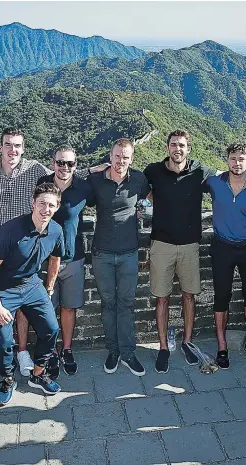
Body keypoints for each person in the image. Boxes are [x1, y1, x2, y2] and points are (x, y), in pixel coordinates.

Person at [0, 183, 64, 406]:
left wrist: (48, 287)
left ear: (57, 207)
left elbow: (55, 259)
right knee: (3, 339)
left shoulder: (56, 230)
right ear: (33, 203)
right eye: (42, 203)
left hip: (32, 285)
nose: (45, 209)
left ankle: (38, 373)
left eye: (51, 205)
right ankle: (8, 378)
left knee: (51, 328)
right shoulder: (10, 231)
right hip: (3, 287)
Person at [143, 130, 217, 373]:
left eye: (182, 145)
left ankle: (187, 341)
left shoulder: (199, 171)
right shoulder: (153, 171)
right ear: (167, 148)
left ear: (188, 148)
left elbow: (227, 178)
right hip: (161, 243)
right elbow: (140, 187)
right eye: (174, 145)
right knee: (162, 297)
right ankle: (163, 347)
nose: (178, 149)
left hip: (189, 244)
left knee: (189, 295)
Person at [88, 138, 151, 376]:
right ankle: (112, 352)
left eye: (125, 157)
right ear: (110, 156)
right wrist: (89, 169)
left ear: (131, 158)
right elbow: (72, 183)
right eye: (117, 156)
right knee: (108, 305)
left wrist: (144, 212)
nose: (121, 161)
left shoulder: (138, 179)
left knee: (126, 305)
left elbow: (150, 195)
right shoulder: (97, 180)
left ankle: (128, 353)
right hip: (102, 253)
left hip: (129, 253)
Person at [204, 140, 246, 368]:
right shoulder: (214, 182)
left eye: (241, 159)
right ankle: (222, 346)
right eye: (233, 158)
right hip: (222, 247)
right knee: (222, 295)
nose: (237, 163)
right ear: (227, 160)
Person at [36, 145, 95, 376]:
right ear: (53, 164)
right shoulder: (43, 185)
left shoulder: (83, 188)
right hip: (44, 260)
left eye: (70, 163)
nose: (65, 167)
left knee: (69, 307)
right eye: (60, 162)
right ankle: (49, 351)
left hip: (73, 258)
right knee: (47, 310)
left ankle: (66, 349)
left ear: (76, 165)